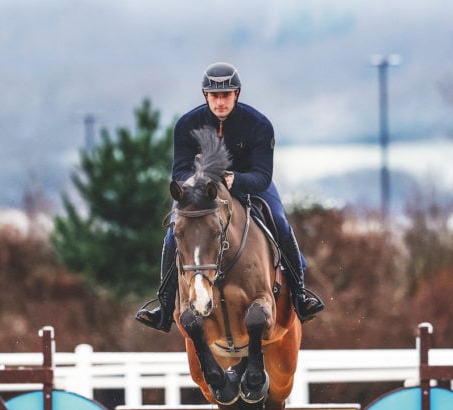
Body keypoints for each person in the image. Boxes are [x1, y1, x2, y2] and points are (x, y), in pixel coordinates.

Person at [135, 61, 325, 333]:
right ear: (206, 96)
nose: (220, 101)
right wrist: (201, 182)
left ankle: (300, 295)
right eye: (215, 95)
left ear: (236, 94)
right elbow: (179, 172)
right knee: (172, 232)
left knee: (280, 222)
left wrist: (236, 179)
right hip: (201, 191)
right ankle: (164, 308)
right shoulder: (187, 124)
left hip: (250, 184)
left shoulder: (258, 124)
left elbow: (262, 175)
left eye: (226, 95)